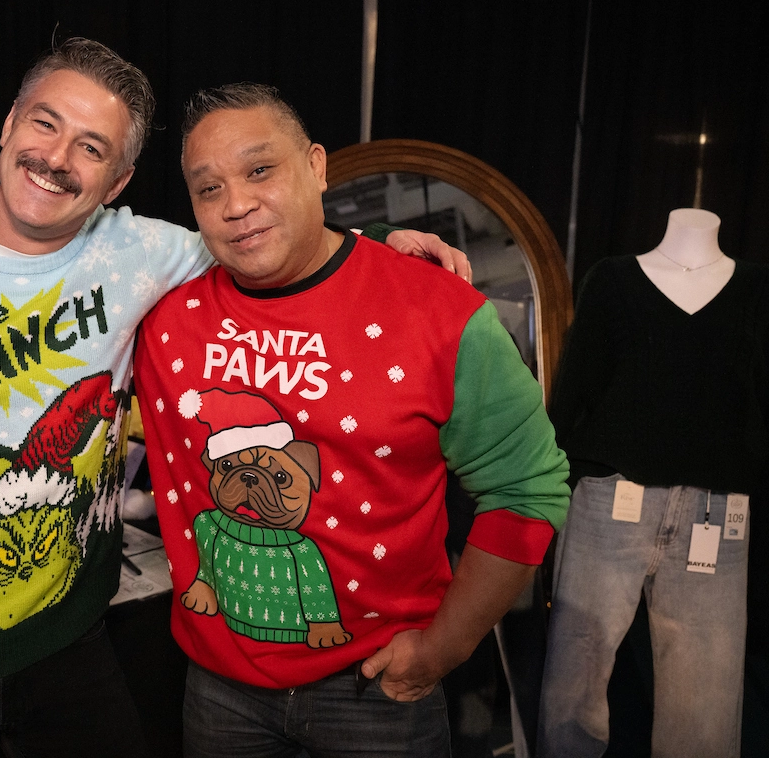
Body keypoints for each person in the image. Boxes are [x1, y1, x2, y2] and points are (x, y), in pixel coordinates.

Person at [0, 38, 467, 758]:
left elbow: (267, 242)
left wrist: (378, 244)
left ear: (118, 181)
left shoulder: (142, 253)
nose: (57, 157)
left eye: (91, 147)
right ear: (8, 125)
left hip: (73, 648)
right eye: (45, 123)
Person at [129, 83, 571, 757]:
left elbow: (526, 490)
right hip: (217, 690)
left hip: (378, 689)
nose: (236, 204)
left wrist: (443, 649)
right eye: (208, 188)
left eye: (259, 169)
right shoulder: (162, 315)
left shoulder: (437, 311)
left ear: (316, 166)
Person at [538, 208, 766, 758]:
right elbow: (574, 390)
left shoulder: (759, 291)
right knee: (573, 684)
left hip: (717, 513)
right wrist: (542, 492)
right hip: (611, 500)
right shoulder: (613, 281)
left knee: (706, 707)